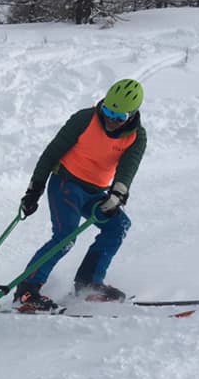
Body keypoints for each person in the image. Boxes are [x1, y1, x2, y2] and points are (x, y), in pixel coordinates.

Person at [14, 79, 147, 312]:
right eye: (107, 110)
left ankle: (88, 284)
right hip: (66, 183)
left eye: (119, 117)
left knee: (118, 226)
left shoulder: (136, 137)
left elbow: (128, 168)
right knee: (65, 236)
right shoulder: (84, 119)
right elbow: (51, 153)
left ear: (132, 115)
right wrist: (35, 189)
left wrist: (117, 195)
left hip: (96, 191)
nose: (110, 120)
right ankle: (27, 290)